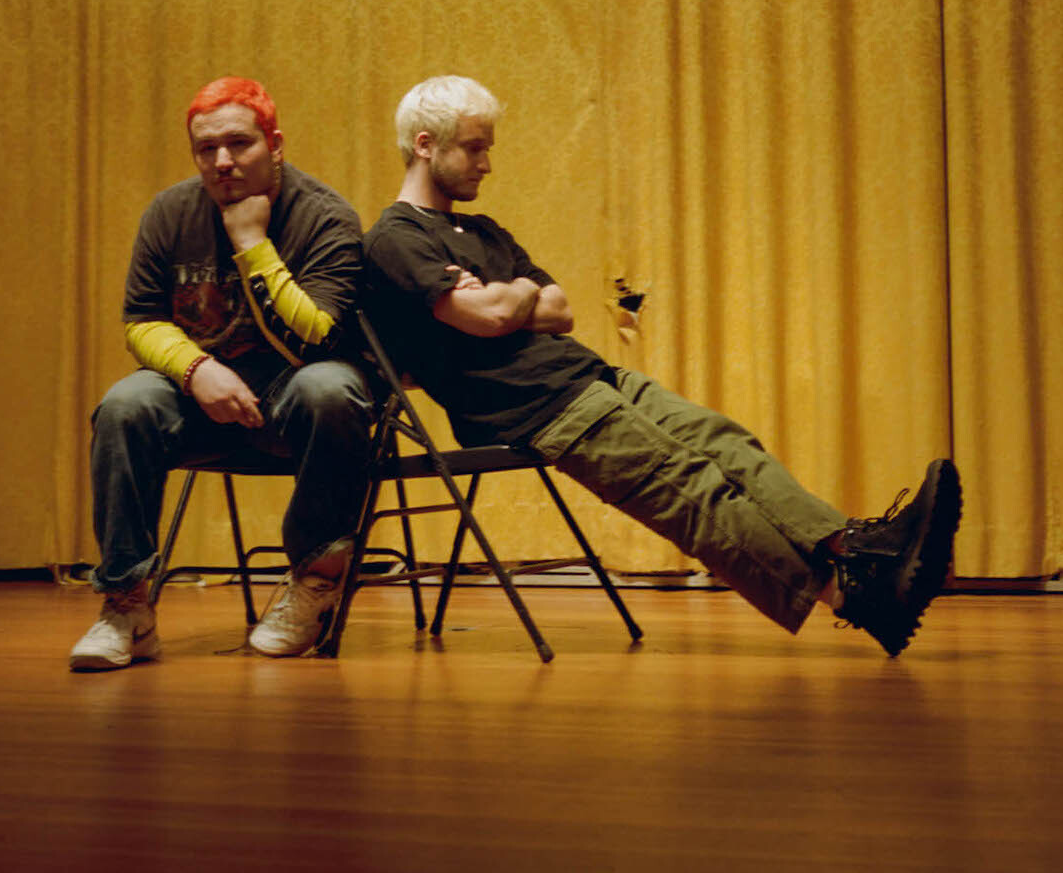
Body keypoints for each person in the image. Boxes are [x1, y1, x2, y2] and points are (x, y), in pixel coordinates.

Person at [361, 75, 961, 656]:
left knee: (725, 442)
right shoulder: (395, 238)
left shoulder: (484, 231)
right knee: (692, 488)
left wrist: (500, 295)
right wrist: (517, 292)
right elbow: (491, 316)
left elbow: (560, 310)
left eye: (486, 148)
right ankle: (856, 598)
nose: (487, 164)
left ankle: (857, 546)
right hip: (534, 406)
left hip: (590, 376)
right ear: (425, 145)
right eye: (474, 148)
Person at [69, 77, 373, 669]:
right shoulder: (169, 212)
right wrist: (196, 370)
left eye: (239, 143)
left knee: (332, 387)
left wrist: (251, 239)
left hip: (294, 401)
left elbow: (316, 337)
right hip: (202, 399)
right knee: (125, 405)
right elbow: (142, 320)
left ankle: (314, 581)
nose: (223, 161)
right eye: (206, 149)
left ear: (275, 144)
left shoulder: (325, 215)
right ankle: (126, 606)